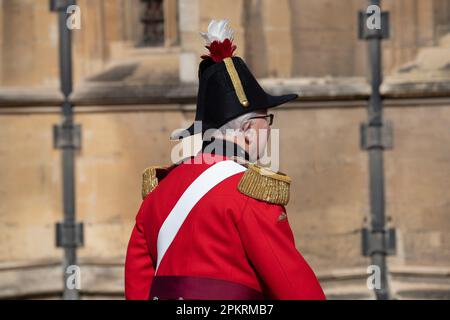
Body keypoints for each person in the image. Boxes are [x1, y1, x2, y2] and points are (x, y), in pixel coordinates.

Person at [125, 20, 325, 300]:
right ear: (246, 131)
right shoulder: (250, 196)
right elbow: (296, 290)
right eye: (265, 120)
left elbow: (138, 289)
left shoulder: (158, 195)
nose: (268, 130)